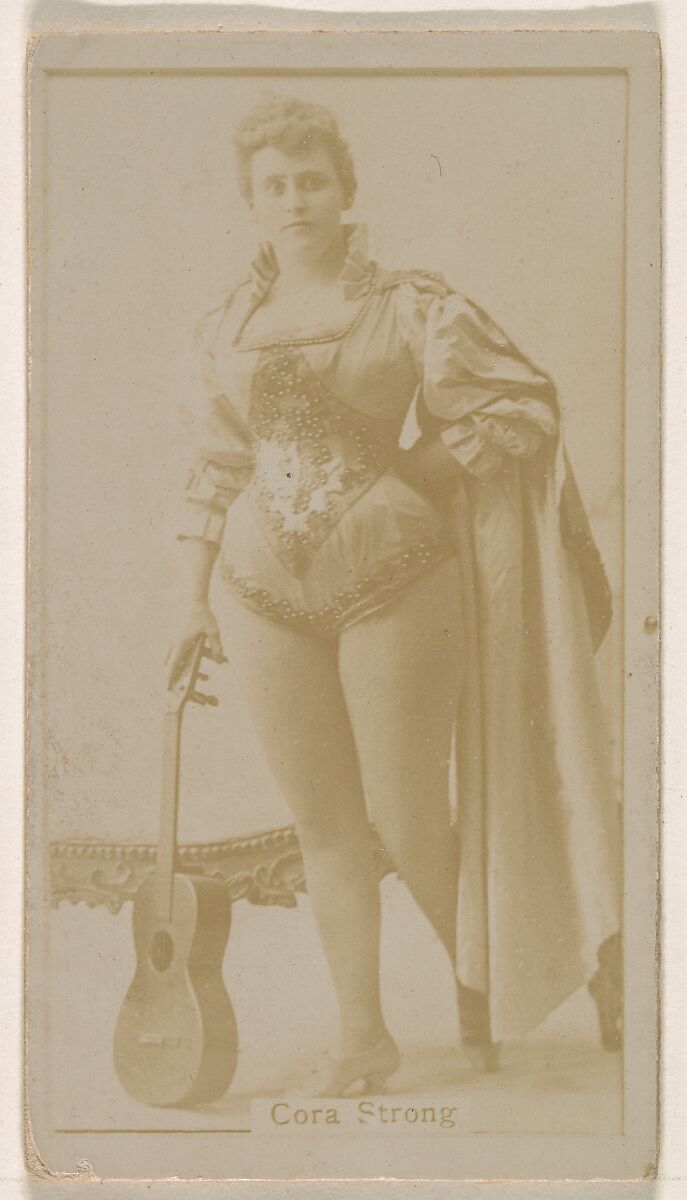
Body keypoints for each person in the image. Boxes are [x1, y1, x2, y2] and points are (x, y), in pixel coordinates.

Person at [166, 95, 622, 1096]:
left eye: (312, 181)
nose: (295, 200)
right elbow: (212, 464)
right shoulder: (224, 327)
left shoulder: (411, 304)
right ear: (251, 201)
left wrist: (414, 470)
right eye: (275, 185)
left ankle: (529, 972)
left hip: (396, 580)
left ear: (345, 192)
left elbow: (520, 400)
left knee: (408, 814)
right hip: (258, 591)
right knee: (325, 824)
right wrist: (192, 601)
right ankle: (363, 1036)